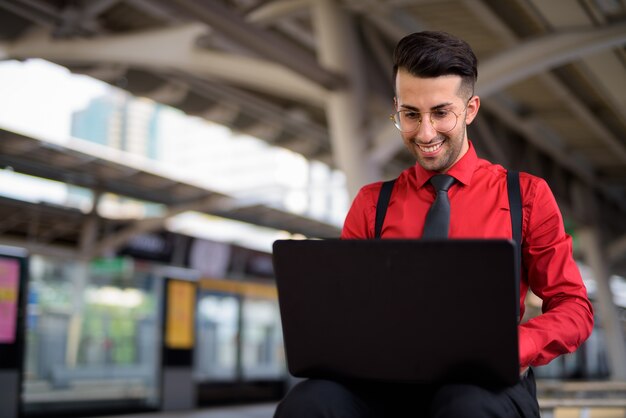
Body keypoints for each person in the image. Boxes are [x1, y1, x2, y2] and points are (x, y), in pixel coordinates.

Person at [273, 31, 593, 418]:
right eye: (410, 115)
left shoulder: (525, 195)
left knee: (464, 408)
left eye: (441, 113)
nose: (425, 134)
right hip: (386, 383)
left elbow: (574, 306)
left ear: (471, 109)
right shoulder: (372, 203)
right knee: (307, 404)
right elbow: (350, 309)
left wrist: (515, 347)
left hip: (484, 385)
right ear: (397, 108)